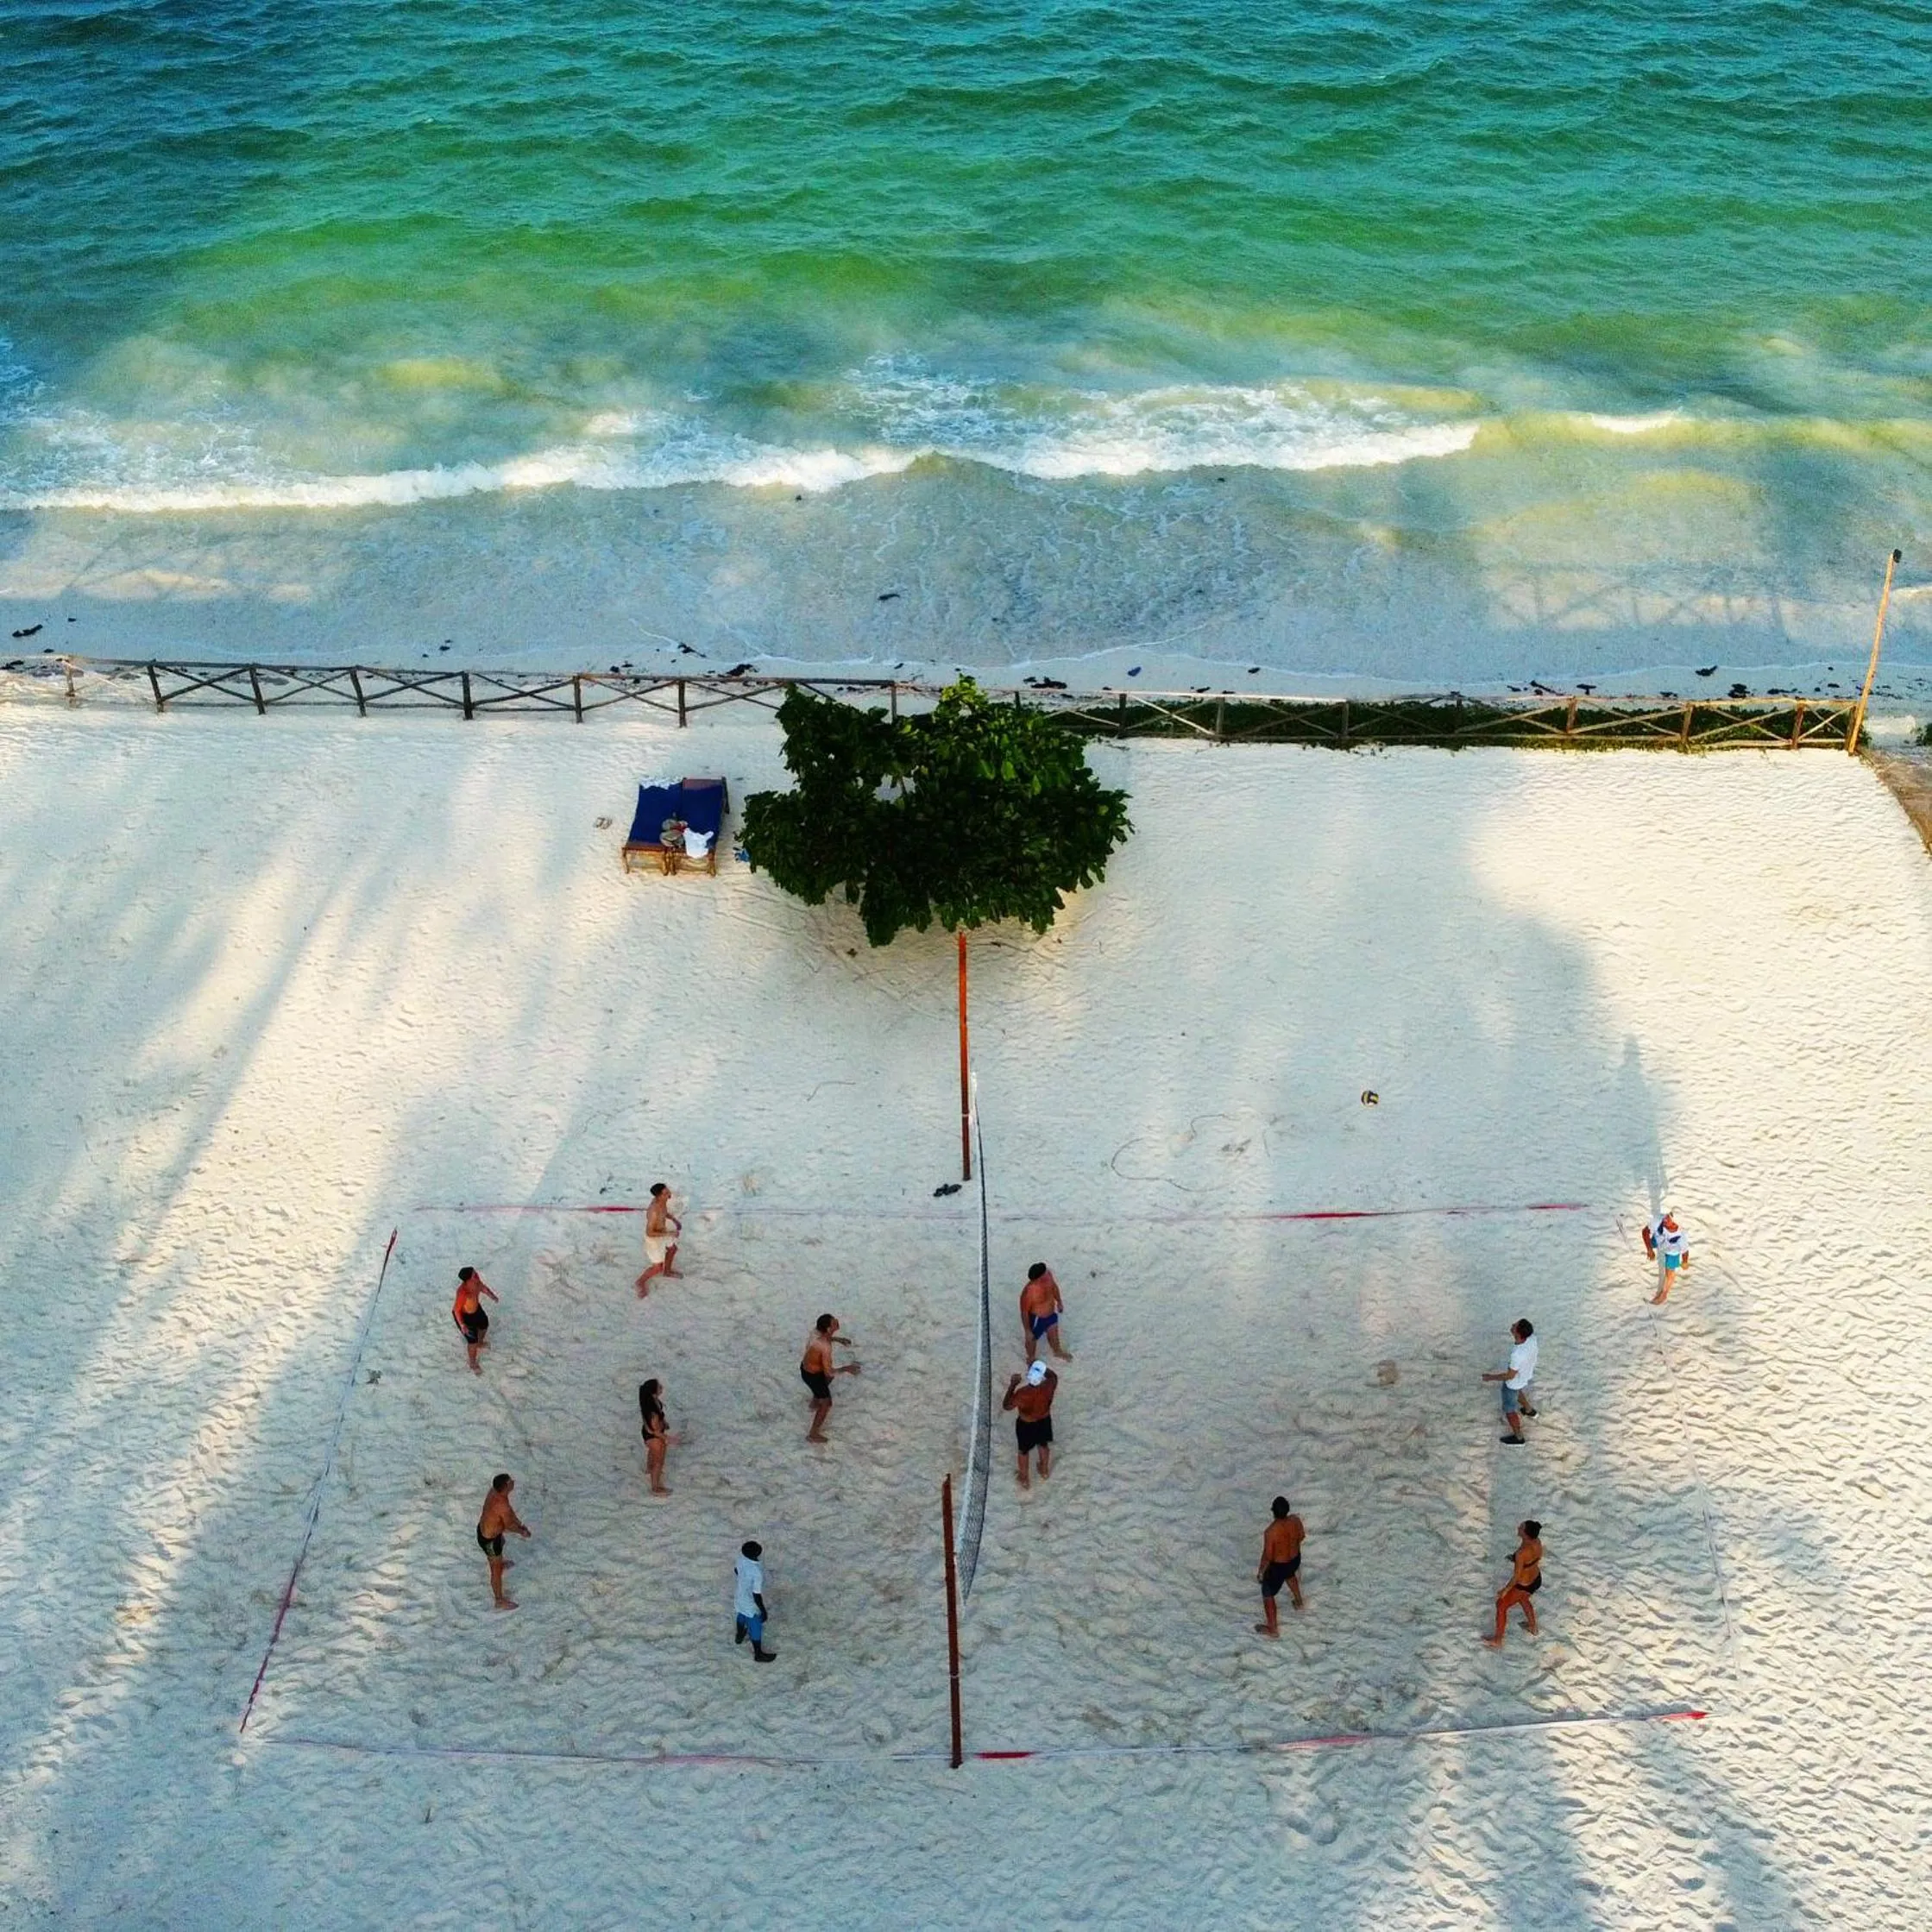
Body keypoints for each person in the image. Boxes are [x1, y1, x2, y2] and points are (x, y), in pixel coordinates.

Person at [800, 1313, 860, 1443]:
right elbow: (829, 1372)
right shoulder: (825, 1347)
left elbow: (824, 1338)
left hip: (806, 1369)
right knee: (827, 1403)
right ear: (828, 1329)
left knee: (825, 1383)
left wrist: (838, 1340)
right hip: (813, 1376)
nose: (837, 1322)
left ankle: (815, 1401)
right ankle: (813, 1434)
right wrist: (847, 1368)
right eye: (834, 1323)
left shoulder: (816, 1332)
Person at [1483, 1520, 1544, 1647]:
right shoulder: (1537, 1542)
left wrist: (1505, 1591)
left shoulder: (1521, 1554)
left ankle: (1498, 1640)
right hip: (1536, 1579)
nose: (1518, 1528)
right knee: (1523, 1599)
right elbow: (1533, 1558)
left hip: (1523, 1585)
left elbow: (1516, 1577)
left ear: (1526, 1534)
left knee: (1501, 1605)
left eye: (1521, 1528)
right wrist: (1516, 1559)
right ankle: (1533, 1627)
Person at [476, 1473, 532, 1612]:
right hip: (489, 1540)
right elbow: (508, 1525)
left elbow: (509, 1513)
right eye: (510, 1481)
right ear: (506, 1487)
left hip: (487, 1530)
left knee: (502, 1542)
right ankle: (499, 1600)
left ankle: (500, 1562)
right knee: (495, 1570)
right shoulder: (502, 1505)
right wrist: (522, 1531)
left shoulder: (495, 1492)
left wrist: (519, 1522)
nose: (513, 1482)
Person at [1482, 1318, 1539, 1444]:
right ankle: (1529, 1411)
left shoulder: (1517, 1355)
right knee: (1518, 1390)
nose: (1512, 1325)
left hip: (1514, 1382)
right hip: (1525, 1375)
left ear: (1518, 1334)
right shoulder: (1532, 1339)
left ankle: (1518, 1437)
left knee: (1509, 1409)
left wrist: (1490, 1377)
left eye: (1515, 1325)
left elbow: (1509, 1376)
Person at [1002, 1360, 1058, 1488]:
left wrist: (1012, 1385)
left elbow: (1007, 1406)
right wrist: (1037, 1366)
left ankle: (1024, 1478)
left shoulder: (1022, 1394)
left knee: (1023, 1451)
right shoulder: (1049, 1385)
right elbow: (1052, 1375)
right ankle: (1044, 1470)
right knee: (1043, 1444)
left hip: (1026, 1424)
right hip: (1044, 1420)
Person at [1255, 1495, 1306, 1633]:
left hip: (1279, 1566)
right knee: (1290, 1575)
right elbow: (1301, 1536)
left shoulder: (1270, 1532)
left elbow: (1269, 1556)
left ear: (1273, 1512)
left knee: (1267, 1592)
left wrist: (1261, 1572)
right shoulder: (1296, 1520)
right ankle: (1299, 1601)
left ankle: (1272, 1628)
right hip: (1295, 1559)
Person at [1019, 1262, 1073, 1364]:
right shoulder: (1029, 1293)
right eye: (1044, 1273)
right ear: (1037, 1278)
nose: (1047, 1273)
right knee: (1032, 1339)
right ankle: (1031, 1358)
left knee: (1054, 1334)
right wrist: (1027, 1330)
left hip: (1051, 1314)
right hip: (1037, 1319)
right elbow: (1024, 1312)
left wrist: (1059, 1301)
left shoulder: (1048, 1275)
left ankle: (1057, 1351)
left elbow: (1054, 1287)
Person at [634, 1182, 683, 1295]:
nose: (669, 1193)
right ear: (659, 1196)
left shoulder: (663, 1201)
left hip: (663, 1232)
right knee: (657, 1268)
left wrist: (674, 1220)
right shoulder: (654, 1211)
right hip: (654, 1239)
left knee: (672, 1249)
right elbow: (649, 1232)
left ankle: (667, 1271)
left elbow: (664, 1213)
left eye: (668, 1190)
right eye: (666, 1193)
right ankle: (640, 1282)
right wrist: (670, 1233)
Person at [734, 1539, 777, 1661]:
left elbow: (736, 1571)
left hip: (739, 1595)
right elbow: (756, 1595)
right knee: (755, 1625)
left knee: (741, 1614)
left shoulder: (740, 1559)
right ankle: (758, 1653)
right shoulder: (756, 1572)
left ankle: (739, 1635)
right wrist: (763, 1610)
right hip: (749, 1601)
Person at [451, 1267, 499, 1375]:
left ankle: (480, 1342)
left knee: (484, 1325)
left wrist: (492, 1296)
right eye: (474, 1275)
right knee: (472, 1342)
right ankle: (472, 1363)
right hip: (464, 1316)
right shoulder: (462, 1292)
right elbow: (456, 1310)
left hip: (476, 1310)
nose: (477, 1275)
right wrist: (462, 1325)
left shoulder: (477, 1283)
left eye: (476, 1273)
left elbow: (484, 1288)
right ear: (468, 1280)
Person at [639, 1378, 677, 1496]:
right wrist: (668, 1438)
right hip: (653, 1436)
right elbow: (655, 1431)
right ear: (653, 1391)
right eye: (659, 1387)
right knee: (659, 1461)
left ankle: (649, 1469)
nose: (662, 1388)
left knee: (653, 1452)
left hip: (649, 1433)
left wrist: (664, 1422)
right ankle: (656, 1487)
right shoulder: (652, 1412)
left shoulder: (650, 1401)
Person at [1646, 1212, 1690, 1304]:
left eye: (1670, 1220)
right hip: (1660, 1239)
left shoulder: (1682, 1238)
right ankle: (1653, 1244)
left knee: (1670, 1271)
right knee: (1653, 1241)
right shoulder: (1658, 1221)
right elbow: (1645, 1232)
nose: (1666, 1219)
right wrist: (1649, 1249)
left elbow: (1685, 1252)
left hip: (1672, 1251)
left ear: (1676, 1224)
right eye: (1667, 1216)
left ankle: (1664, 1294)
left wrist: (1685, 1262)